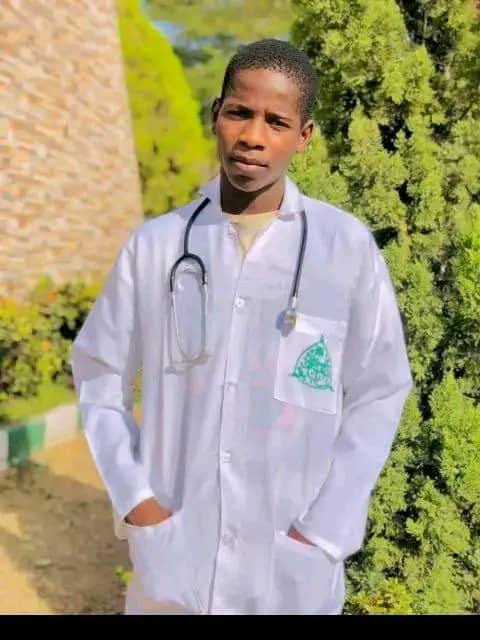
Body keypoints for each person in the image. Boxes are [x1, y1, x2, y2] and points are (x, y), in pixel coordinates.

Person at [70, 38, 413, 615]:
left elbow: (380, 390)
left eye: (277, 122)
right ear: (216, 116)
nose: (253, 136)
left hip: (291, 564)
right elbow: (98, 376)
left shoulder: (343, 248)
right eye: (239, 112)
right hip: (176, 555)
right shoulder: (156, 246)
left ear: (304, 136)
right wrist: (137, 502)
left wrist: (324, 529)